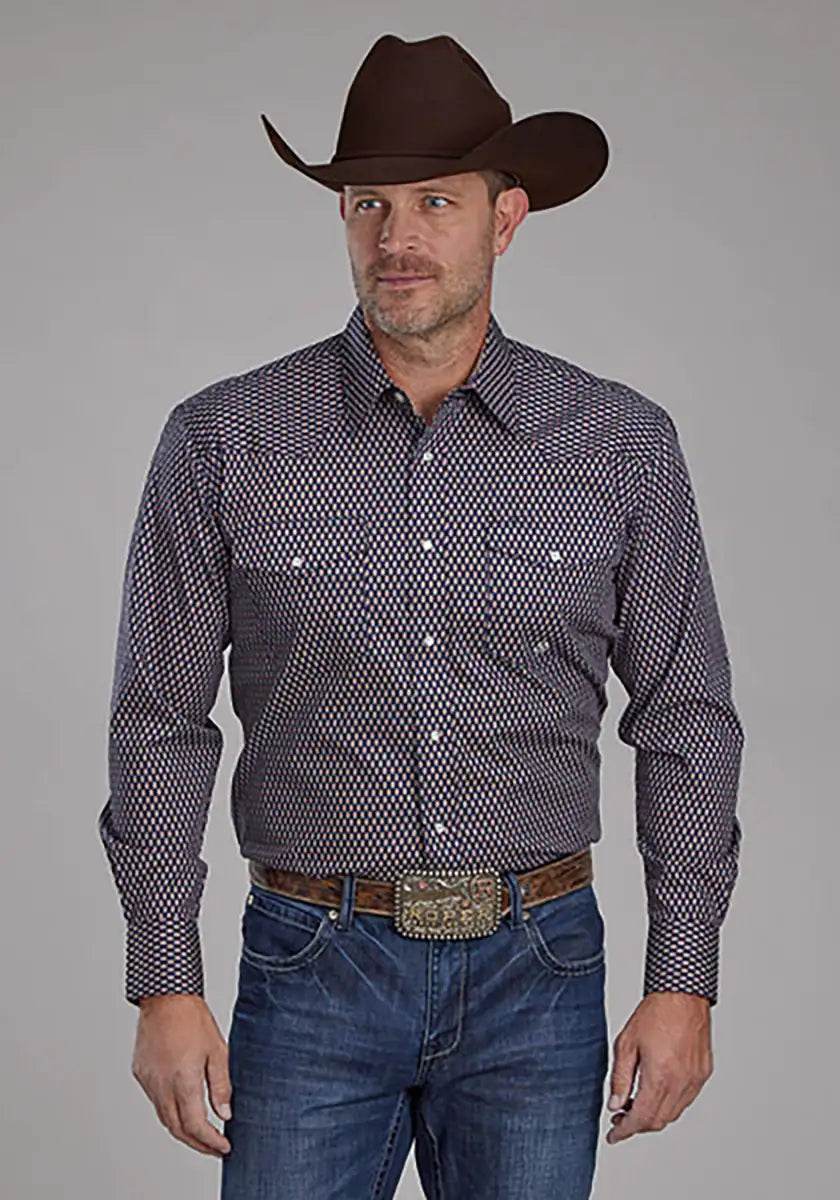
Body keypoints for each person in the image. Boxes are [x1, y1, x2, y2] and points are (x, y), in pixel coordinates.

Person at [98, 32, 745, 1200]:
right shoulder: (224, 440)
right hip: (310, 965)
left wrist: (683, 978)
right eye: (369, 204)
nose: (397, 238)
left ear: (507, 219)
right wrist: (165, 983)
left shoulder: (620, 444)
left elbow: (686, 717)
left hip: (539, 971)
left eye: (436, 202)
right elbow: (161, 720)